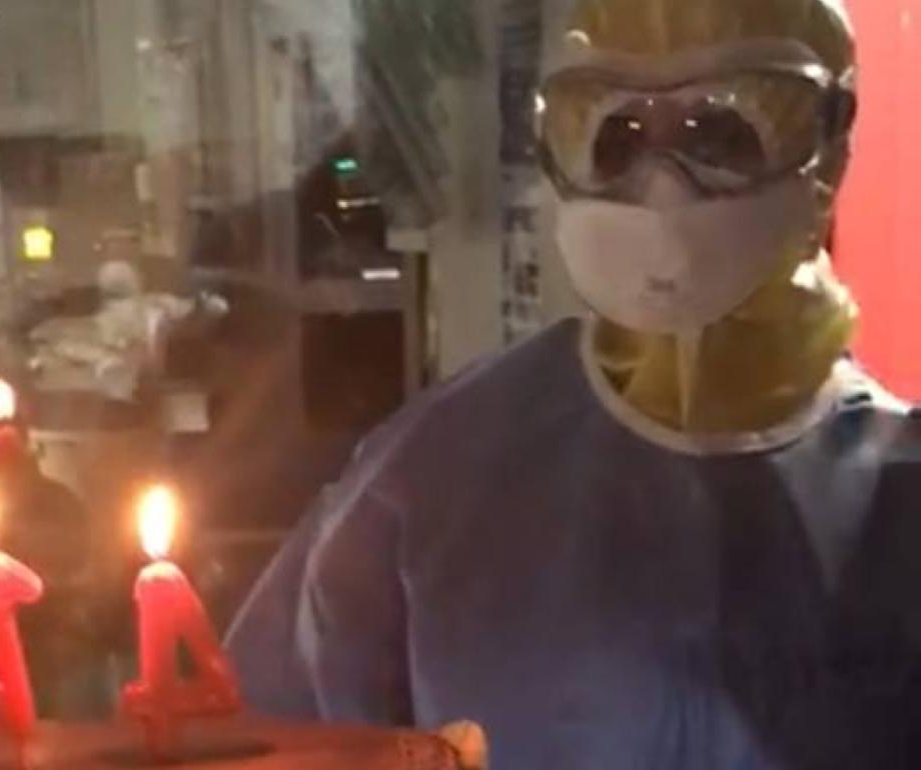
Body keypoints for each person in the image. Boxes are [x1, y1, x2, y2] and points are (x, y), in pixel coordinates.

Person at [225, 0, 920, 766]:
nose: (662, 189)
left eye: (720, 134)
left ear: (828, 143)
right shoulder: (435, 477)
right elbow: (266, 736)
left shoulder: (898, 503)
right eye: (618, 135)